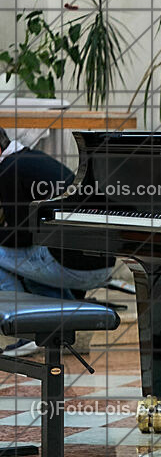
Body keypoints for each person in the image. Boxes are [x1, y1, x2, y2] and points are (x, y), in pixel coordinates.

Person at [0, 128, 116, 355]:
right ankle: (60, 327)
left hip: (73, 267)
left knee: (15, 256)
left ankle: (28, 332)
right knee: (29, 259)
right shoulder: (32, 160)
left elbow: (20, 237)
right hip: (101, 264)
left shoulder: (8, 170)